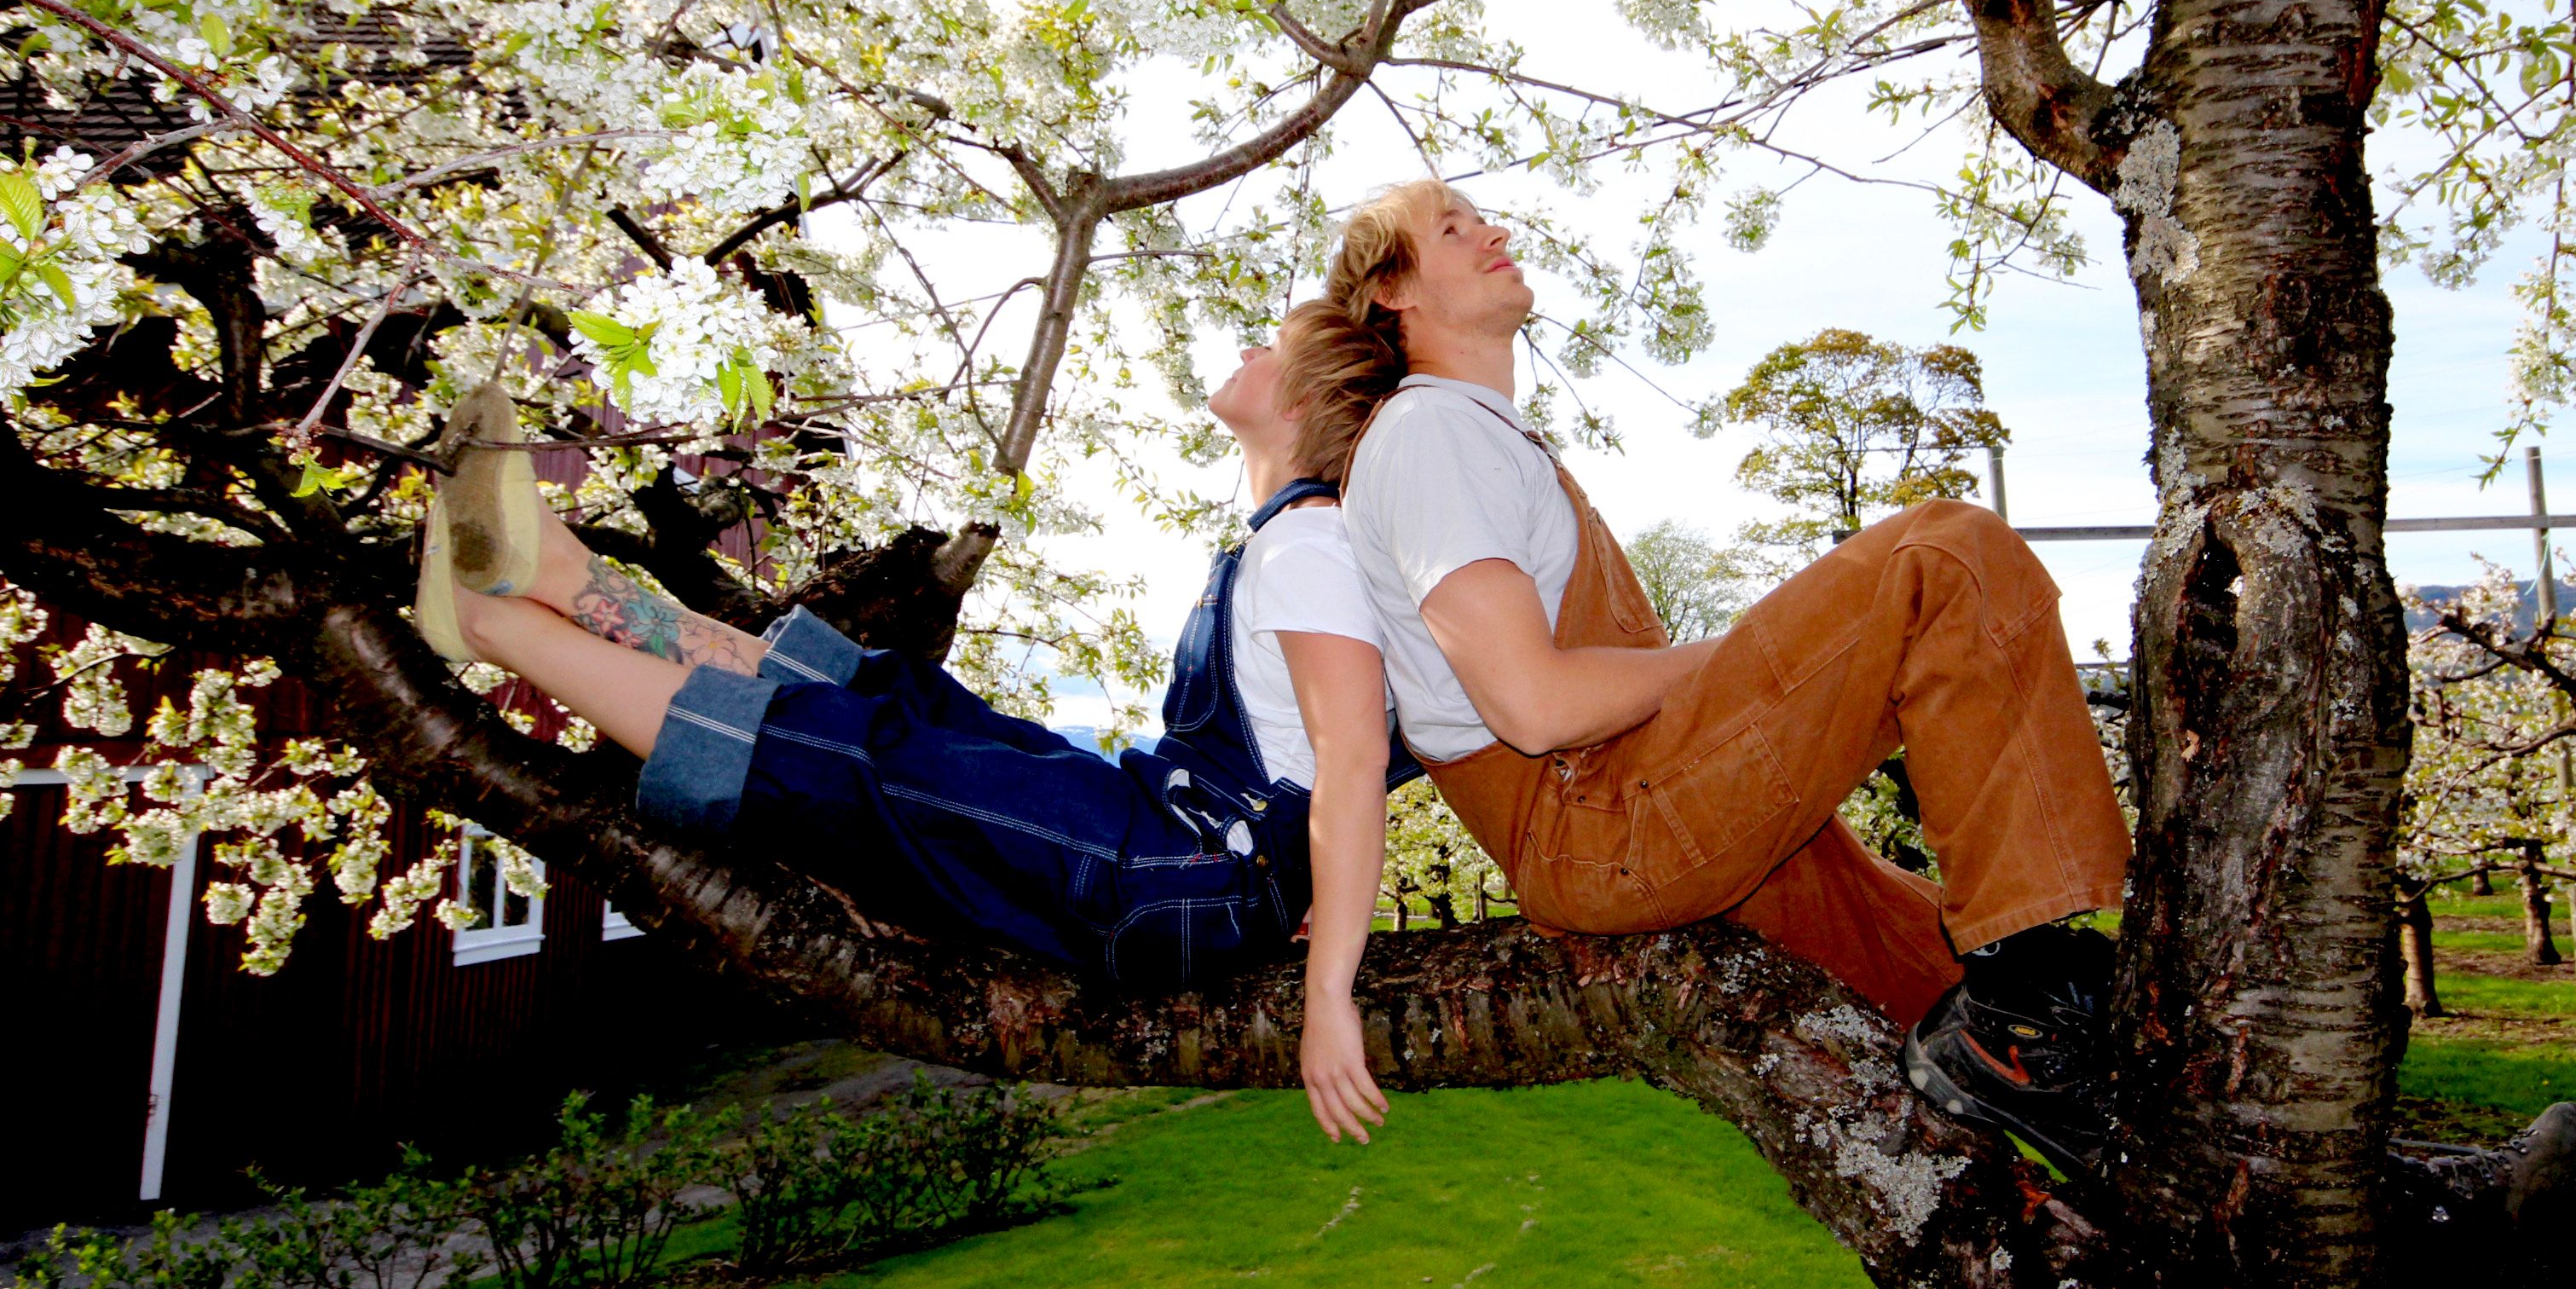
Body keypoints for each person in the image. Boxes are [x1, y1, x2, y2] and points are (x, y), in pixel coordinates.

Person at [1276, 176, 2135, 1177]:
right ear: (1394, 293)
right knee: (1945, 558)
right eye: (1452, 228)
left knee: (1991, 994)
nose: (1490, 231)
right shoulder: (1428, 434)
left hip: (1653, 797)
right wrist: (1772, 661)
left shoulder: (1474, 435)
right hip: (1601, 817)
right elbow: (1534, 705)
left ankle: (2110, 1113)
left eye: (1485, 217)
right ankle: (2029, 1004)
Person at [409, 333, 1416, 1147]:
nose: (1248, 344)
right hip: (1168, 841)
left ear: (1304, 401)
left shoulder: (1308, 545)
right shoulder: (1290, 539)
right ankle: (558, 572)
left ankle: (497, 624)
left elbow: (1358, 765)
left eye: (1274, 345)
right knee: (894, 699)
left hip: (1171, 868)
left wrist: (1329, 981)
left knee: (856, 763)